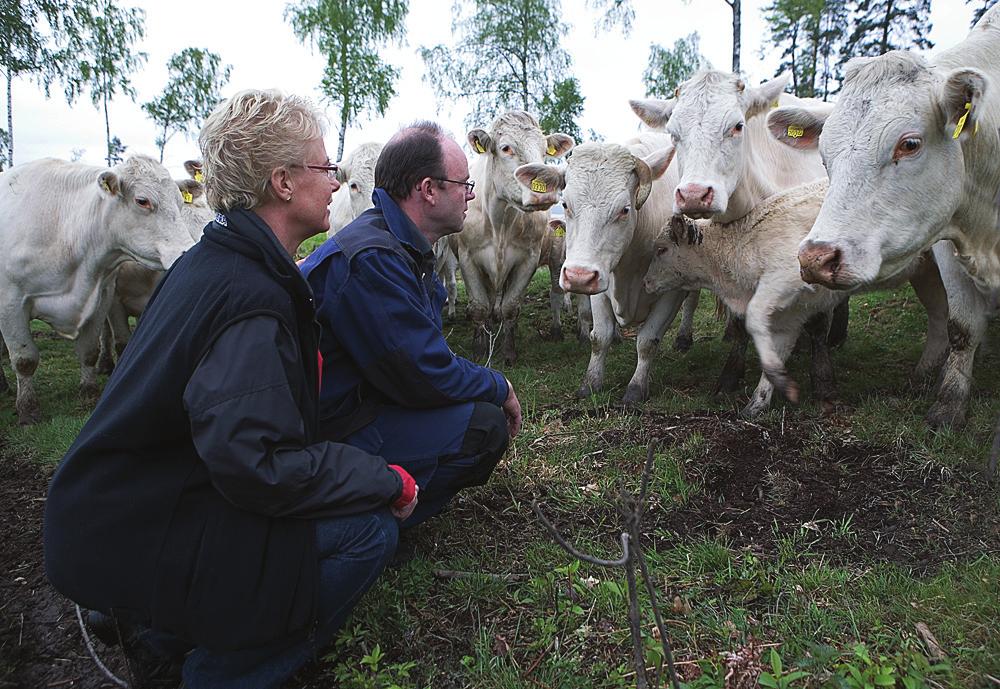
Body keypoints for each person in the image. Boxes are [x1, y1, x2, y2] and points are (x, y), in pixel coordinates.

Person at [43, 89, 418, 689]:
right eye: (324, 166)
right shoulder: (251, 297)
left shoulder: (212, 262)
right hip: (139, 531)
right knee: (367, 530)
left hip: (124, 514)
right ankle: (217, 673)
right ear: (283, 183)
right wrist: (384, 479)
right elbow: (258, 464)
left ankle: (160, 632)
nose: (334, 180)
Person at [299, 121, 521, 534]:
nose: (470, 194)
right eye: (463, 184)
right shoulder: (373, 258)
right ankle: (373, 524)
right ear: (428, 190)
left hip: (358, 405)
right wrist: (499, 386)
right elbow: (421, 370)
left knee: (471, 410)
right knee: (484, 427)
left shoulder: (397, 246)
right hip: (335, 430)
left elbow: (417, 357)